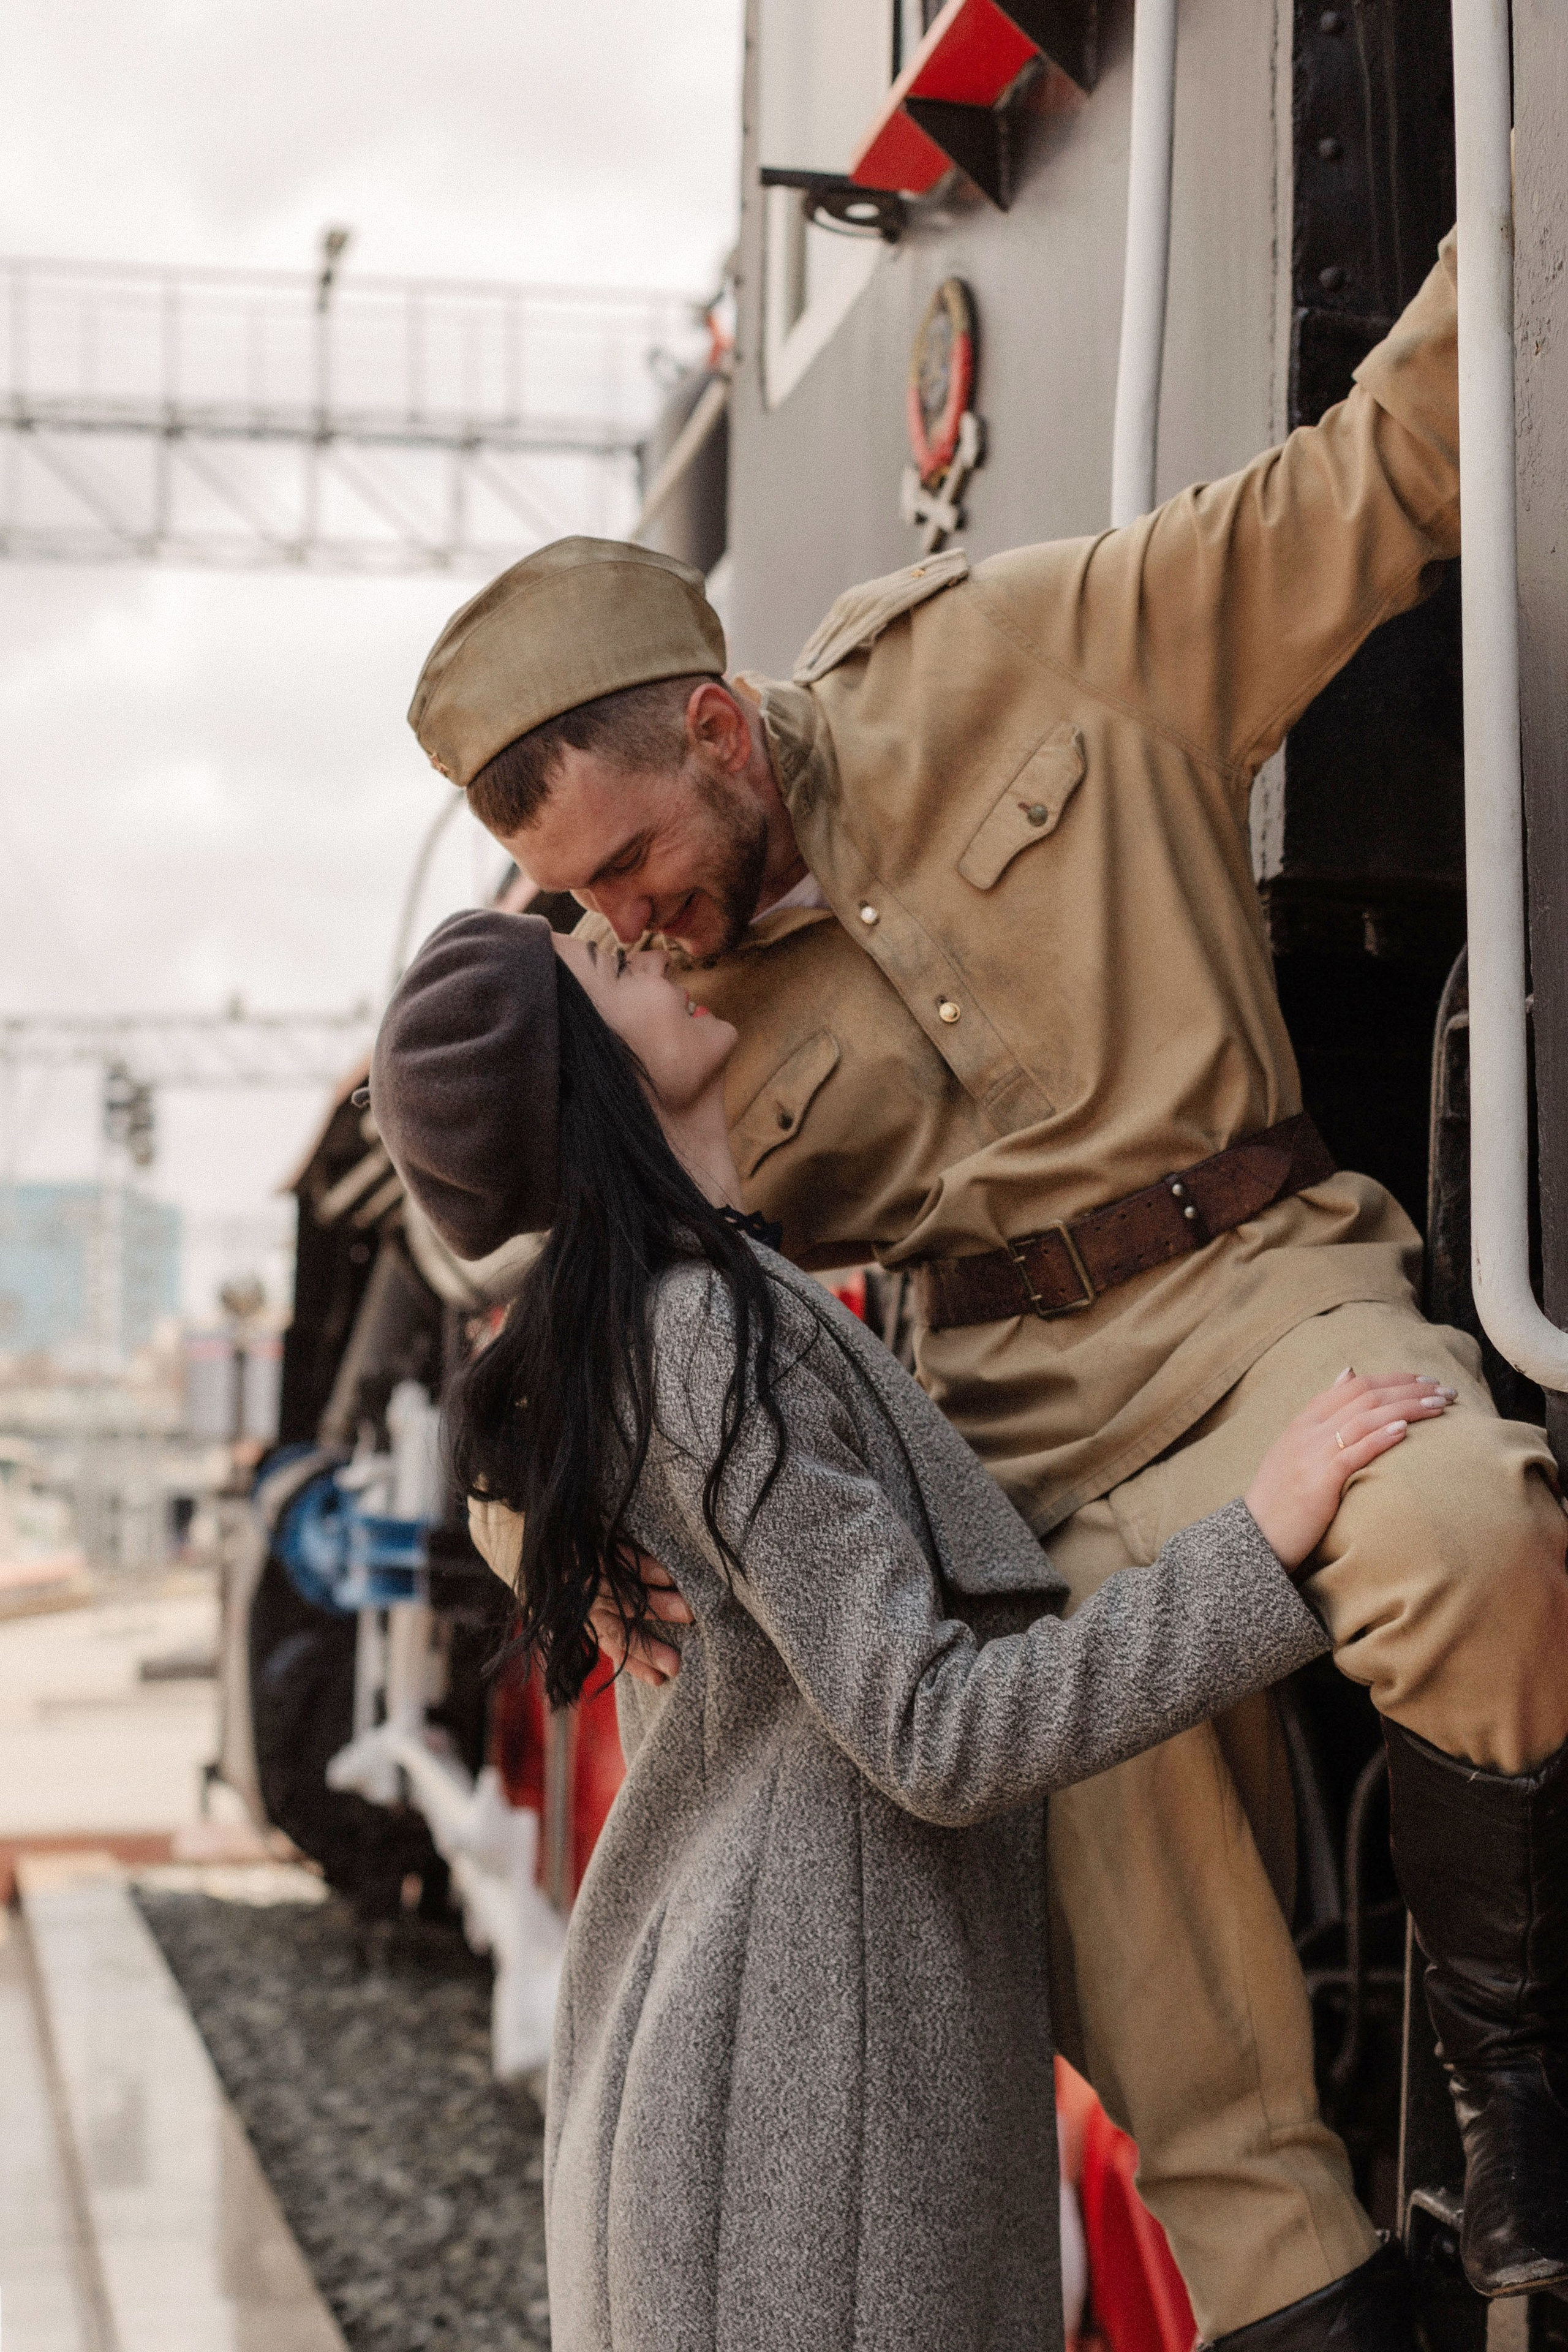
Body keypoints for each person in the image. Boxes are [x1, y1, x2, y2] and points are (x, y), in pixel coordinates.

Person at [400, 227, 1568, 2337]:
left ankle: (1523, 2096)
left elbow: (1371, 476)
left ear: (714, 723)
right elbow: (555, 1334)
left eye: (627, 868)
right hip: (1005, 1470)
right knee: (1193, 2062)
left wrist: (1527, 196)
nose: (633, 933)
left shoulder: (1043, 647)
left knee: (1466, 1533)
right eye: (580, 910)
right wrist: (560, 1555)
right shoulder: (655, 1025)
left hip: (1257, 1296)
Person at [369, 907, 1451, 2352]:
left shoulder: (683, 1310)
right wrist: (1259, 1539)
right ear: (589, 1079)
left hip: (785, 2099)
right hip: (806, 2145)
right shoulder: (694, 1332)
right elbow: (932, 1732)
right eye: (610, 969)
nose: (648, 946)